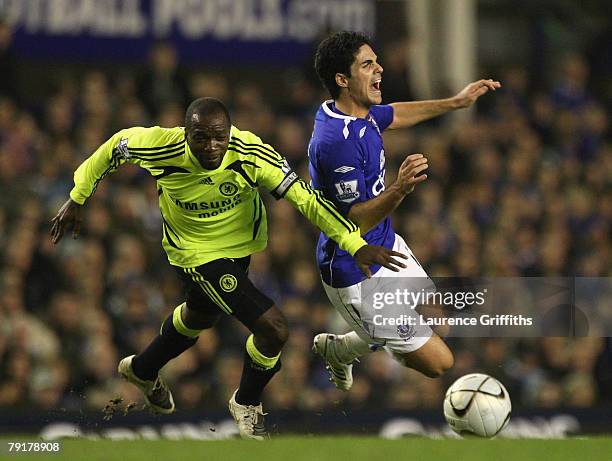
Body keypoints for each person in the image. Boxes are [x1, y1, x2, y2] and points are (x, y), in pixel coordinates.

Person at [50, 97, 406, 439]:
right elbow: (112, 147)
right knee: (275, 329)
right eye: (200, 137)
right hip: (193, 253)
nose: (210, 146)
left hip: (239, 248)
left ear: (231, 133)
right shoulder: (160, 146)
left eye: (220, 137)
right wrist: (77, 196)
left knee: (200, 316)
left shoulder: (251, 153)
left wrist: (354, 244)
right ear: (185, 134)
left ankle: (143, 370)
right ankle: (247, 402)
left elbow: (306, 200)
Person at [308, 31, 501, 390]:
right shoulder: (335, 144)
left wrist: (455, 103)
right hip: (355, 269)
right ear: (342, 80)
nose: (379, 68)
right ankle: (345, 349)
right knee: (440, 364)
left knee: (438, 321)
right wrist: (400, 189)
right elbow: (353, 221)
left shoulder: (357, 113)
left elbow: (393, 115)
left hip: (387, 247)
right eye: (367, 65)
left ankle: (359, 342)